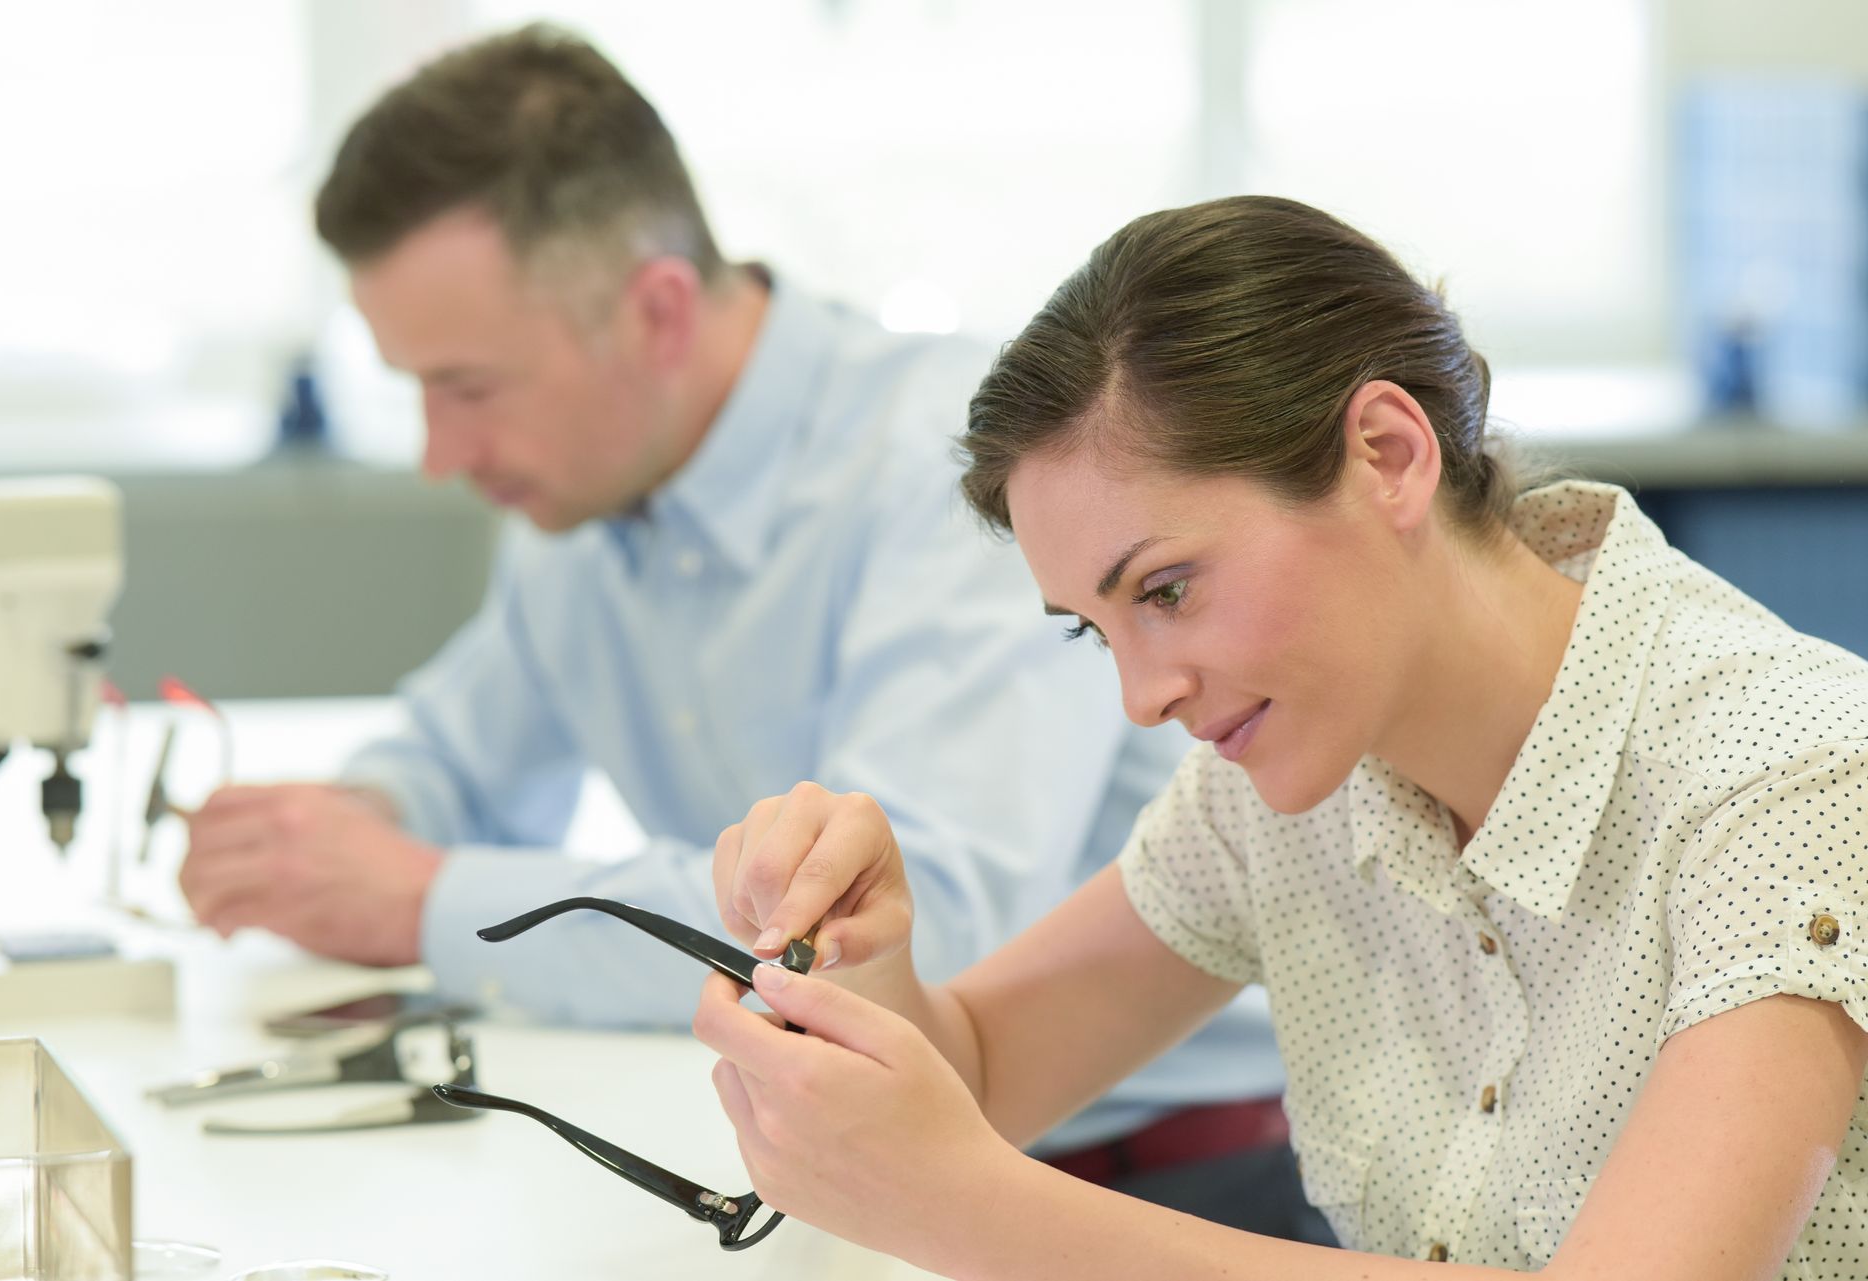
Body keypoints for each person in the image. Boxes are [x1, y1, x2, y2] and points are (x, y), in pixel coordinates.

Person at [173, 26, 1326, 1239]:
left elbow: (926, 931)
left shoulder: (965, 472)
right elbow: (458, 760)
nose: (438, 454)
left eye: (468, 388)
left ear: (656, 313)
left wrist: (417, 903)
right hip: (880, 1168)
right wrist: (342, 836)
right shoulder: (586, 494)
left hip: (1156, 1181)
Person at [694, 194, 1868, 1278]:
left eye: (1164, 590)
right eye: (1093, 633)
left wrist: (978, 1209)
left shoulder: (1789, 774)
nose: (1142, 696)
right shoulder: (1276, 786)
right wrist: (871, 961)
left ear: (1388, 457)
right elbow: (985, 1077)